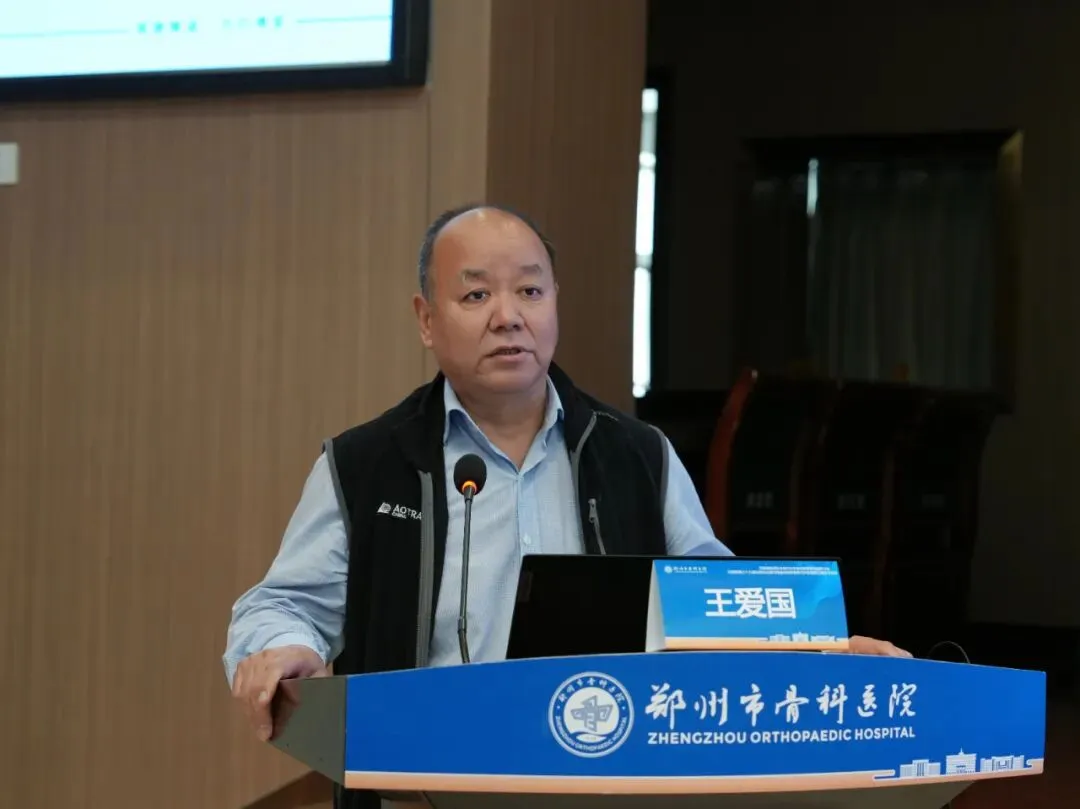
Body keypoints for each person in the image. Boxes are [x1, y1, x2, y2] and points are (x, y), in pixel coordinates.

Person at [224, 204, 909, 804]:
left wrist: (824, 656)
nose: (508, 316)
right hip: (420, 789)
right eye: (476, 295)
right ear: (426, 320)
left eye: (530, 290)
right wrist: (283, 649)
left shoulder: (637, 455)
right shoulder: (366, 464)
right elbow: (281, 604)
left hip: (609, 787)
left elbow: (719, 608)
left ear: (555, 304)